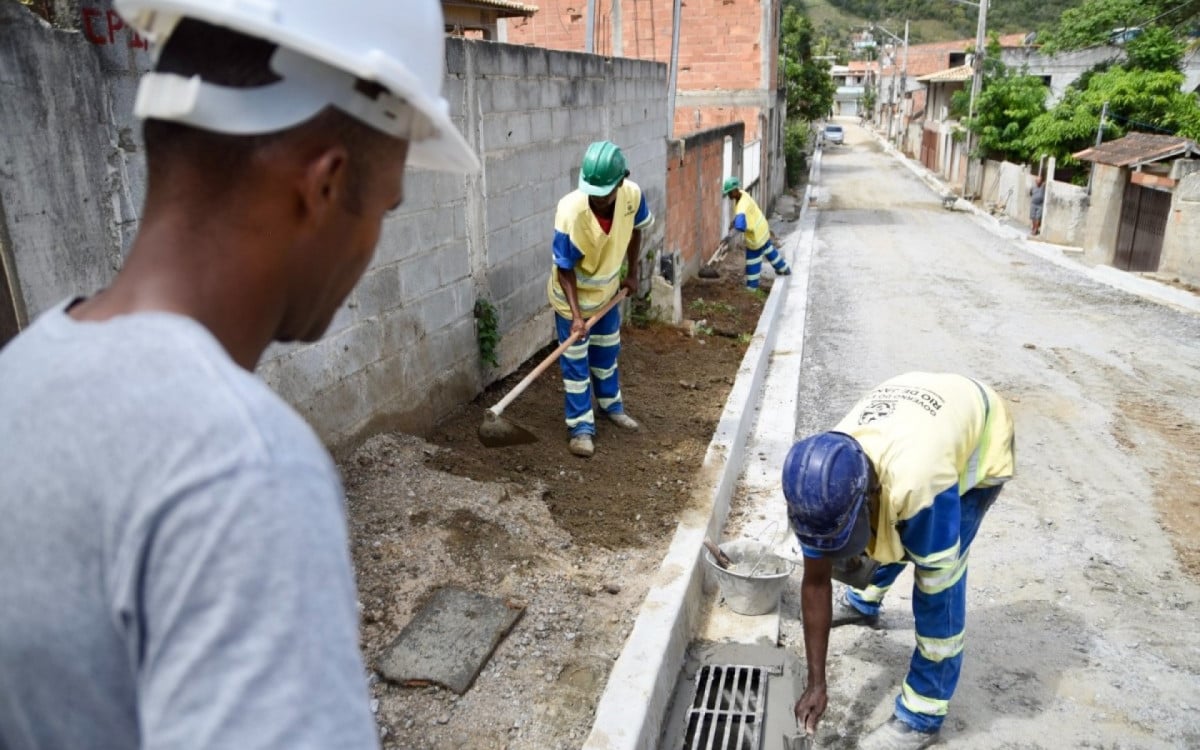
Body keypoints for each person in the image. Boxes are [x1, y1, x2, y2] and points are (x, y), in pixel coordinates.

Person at [0, 2, 478, 748]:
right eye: (384, 207)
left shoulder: (19, 375)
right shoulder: (238, 468)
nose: (371, 245)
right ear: (325, 183)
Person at [783, 373, 1016, 750]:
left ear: (868, 497)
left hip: (979, 436)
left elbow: (935, 589)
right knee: (884, 533)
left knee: (938, 576)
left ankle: (923, 715)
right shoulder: (816, 488)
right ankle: (865, 604)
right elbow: (815, 581)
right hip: (915, 421)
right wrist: (816, 683)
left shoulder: (921, 487)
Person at [547, 140, 652, 458]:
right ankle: (580, 427)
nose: (597, 198)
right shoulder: (571, 211)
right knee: (576, 366)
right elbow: (564, 269)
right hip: (572, 302)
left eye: (603, 192)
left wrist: (632, 272)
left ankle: (611, 405)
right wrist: (577, 317)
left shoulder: (632, 196)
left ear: (621, 181)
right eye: (591, 191)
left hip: (607, 298)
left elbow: (636, 230)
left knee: (607, 355)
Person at [722, 176, 791, 290]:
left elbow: (740, 227)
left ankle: (752, 287)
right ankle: (784, 269)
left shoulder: (741, 206)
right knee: (769, 250)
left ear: (735, 190)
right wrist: (734, 222)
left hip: (755, 235)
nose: (728, 195)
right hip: (762, 228)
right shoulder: (743, 194)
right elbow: (744, 216)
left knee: (753, 259)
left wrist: (728, 238)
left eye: (729, 192)